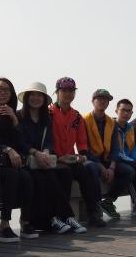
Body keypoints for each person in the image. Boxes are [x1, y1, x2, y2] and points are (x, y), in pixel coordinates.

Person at [18, 82, 84, 234]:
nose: (36, 98)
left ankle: (58, 217)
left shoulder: (45, 118)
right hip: (27, 160)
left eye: (39, 95)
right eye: (32, 95)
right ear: (26, 97)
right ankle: (62, 217)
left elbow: (48, 140)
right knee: (47, 177)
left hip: (42, 159)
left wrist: (46, 152)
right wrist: (36, 153)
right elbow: (19, 142)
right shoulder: (19, 116)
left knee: (65, 172)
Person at [49, 77, 106, 227]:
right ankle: (62, 217)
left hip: (71, 159)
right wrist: (58, 157)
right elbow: (45, 140)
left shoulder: (77, 116)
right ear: (57, 92)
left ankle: (93, 213)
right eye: (64, 90)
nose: (68, 94)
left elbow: (82, 143)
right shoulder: (49, 113)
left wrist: (82, 156)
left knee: (86, 170)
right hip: (54, 159)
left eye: (71, 91)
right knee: (66, 173)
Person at [0, 78, 37, 242]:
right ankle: (4, 225)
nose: (2, 93)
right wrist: (7, 149)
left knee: (27, 176)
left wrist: (15, 120)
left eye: (7, 90)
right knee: (12, 175)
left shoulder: (10, 114)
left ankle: (25, 222)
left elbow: (20, 142)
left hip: (9, 162)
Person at [83, 88, 123, 220]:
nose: (103, 101)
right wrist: (101, 166)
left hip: (107, 159)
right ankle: (96, 206)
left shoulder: (112, 122)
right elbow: (84, 148)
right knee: (93, 169)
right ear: (92, 101)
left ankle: (109, 201)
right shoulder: (84, 120)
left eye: (106, 99)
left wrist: (112, 167)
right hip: (91, 159)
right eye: (99, 99)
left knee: (128, 170)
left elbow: (115, 147)